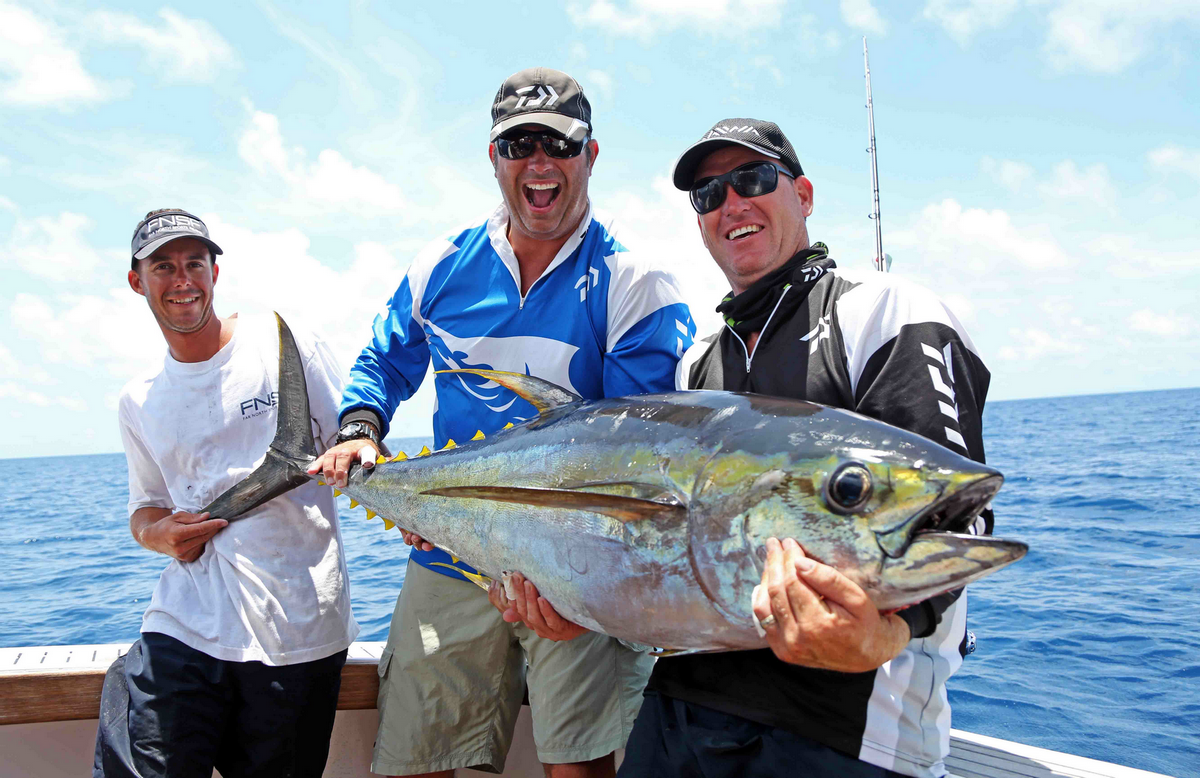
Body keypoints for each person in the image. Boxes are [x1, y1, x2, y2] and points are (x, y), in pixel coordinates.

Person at [309, 68, 695, 778]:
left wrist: (586, 593)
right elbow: (384, 360)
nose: (540, 161)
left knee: (580, 766)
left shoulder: (634, 282)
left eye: (560, 144)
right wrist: (360, 426)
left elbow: (636, 453)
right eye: (519, 144)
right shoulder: (442, 266)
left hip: (574, 566)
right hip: (448, 556)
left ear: (591, 156)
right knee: (413, 762)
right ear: (494, 159)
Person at [618, 119, 994, 778]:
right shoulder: (694, 366)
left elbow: (954, 519)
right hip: (681, 706)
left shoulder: (886, 312)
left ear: (806, 195)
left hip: (842, 730)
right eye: (708, 195)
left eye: (754, 179)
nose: (731, 202)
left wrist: (890, 634)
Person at [94, 209, 358, 778]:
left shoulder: (284, 345)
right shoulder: (139, 400)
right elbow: (145, 507)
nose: (182, 278)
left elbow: (357, 448)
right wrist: (157, 534)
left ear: (215, 271)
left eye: (195, 263)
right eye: (163, 266)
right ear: (138, 281)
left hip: (296, 631)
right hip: (185, 624)